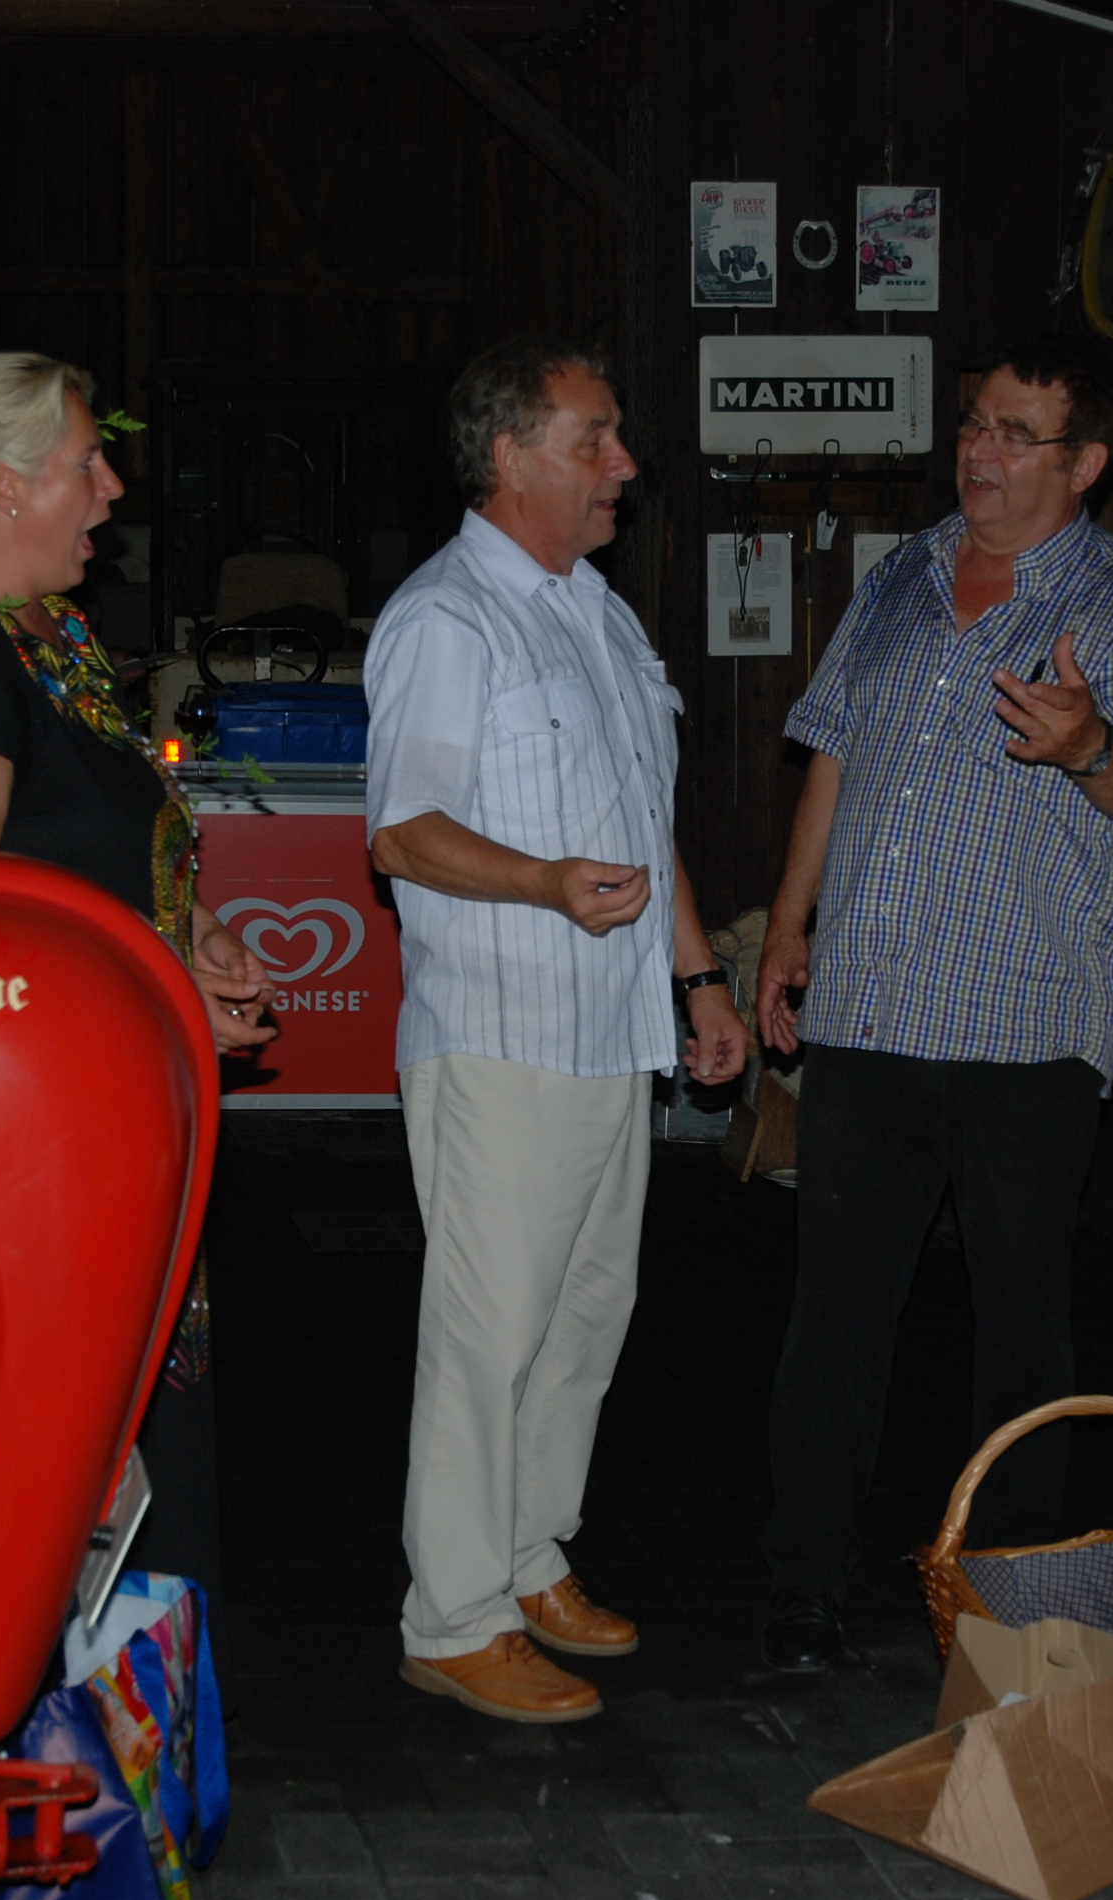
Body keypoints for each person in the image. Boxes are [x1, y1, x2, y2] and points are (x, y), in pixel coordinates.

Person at [752, 335, 1113, 1674]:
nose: (983, 453)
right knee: (835, 1315)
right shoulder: (901, 574)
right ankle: (805, 1588)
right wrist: (787, 927)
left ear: (1086, 462)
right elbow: (832, 754)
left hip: (1026, 1026)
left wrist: (1090, 745)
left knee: (1020, 1328)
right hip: (868, 1009)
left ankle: (1009, 1609)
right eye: (974, 425)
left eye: (1018, 433)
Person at [0, 350, 278, 1664]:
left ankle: (113, 1728)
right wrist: (154, 978)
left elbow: (81, 863)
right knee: (45, 1461)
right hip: (10, 1157)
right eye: (89, 462)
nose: (114, 487)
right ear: (12, 484)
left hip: (92, 1121)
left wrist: (195, 940)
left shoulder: (46, 639)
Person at [364, 336, 746, 1725]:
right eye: (594, 439)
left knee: (584, 1317)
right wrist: (539, 881)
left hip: (608, 1034)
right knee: (489, 1334)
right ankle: (452, 1617)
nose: (624, 465)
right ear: (509, 454)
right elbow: (401, 832)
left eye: (616, 437)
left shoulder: (595, 611)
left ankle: (529, 1561)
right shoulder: (446, 618)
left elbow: (641, 819)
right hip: (502, 1036)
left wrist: (698, 978)